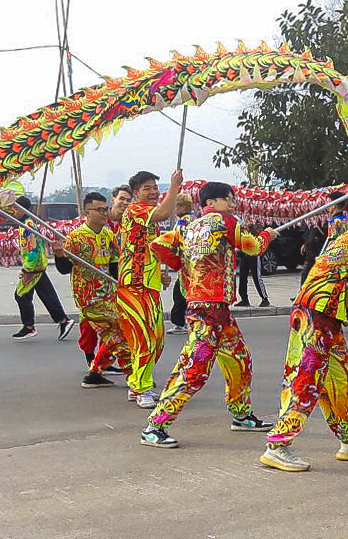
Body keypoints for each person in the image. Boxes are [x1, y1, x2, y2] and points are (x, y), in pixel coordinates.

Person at [262, 187, 348, 471]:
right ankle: (278, 444)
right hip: (319, 311)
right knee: (308, 377)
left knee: (340, 377)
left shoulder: (346, 236)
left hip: (317, 309)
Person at [139, 182, 275, 447]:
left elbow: (158, 244)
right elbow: (252, 247)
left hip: (214, 310)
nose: (233, 204)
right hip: (207, 312)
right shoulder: (225, 221)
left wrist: (180, 263)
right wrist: (268, 235)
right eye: (229, 199)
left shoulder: (188, 228)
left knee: (239, 360)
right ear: (211, 202)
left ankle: (241, 415)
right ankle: (154, 426)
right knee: (194, 369)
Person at [114, 169, 188, 411]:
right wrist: (175, 185)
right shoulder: (136, 210)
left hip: (150, 285)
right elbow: (165, 212)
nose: (154, 191)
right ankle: (142, 388)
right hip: (132, 286)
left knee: (157, 340)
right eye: (147, 188)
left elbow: (149, 250)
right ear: (136, 194)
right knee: (144, 339)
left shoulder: (149, 220)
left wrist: (161, 274)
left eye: (155, 187)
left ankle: (136, 383)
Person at [62, 192, 124, 386]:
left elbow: (114, 265)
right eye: (99, 210)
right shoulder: (76, 237)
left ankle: (96, 370)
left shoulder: (107, 234)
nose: (104, 213)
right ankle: (135, 376)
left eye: (106, 209)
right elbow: (65, 268)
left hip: (108, 293)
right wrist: (58, 255)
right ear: (87, 212)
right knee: (115, 331)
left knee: (110, 330)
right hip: (88, 296)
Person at [9, 217, 72, 340]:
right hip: (37, 266)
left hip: (34, 268)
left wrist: (25, 268)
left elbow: (33, 250)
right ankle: (62, 320)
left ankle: (29, 327)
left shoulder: (28, 227)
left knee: (21, 295)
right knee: (47, 294)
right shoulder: (26, 224)